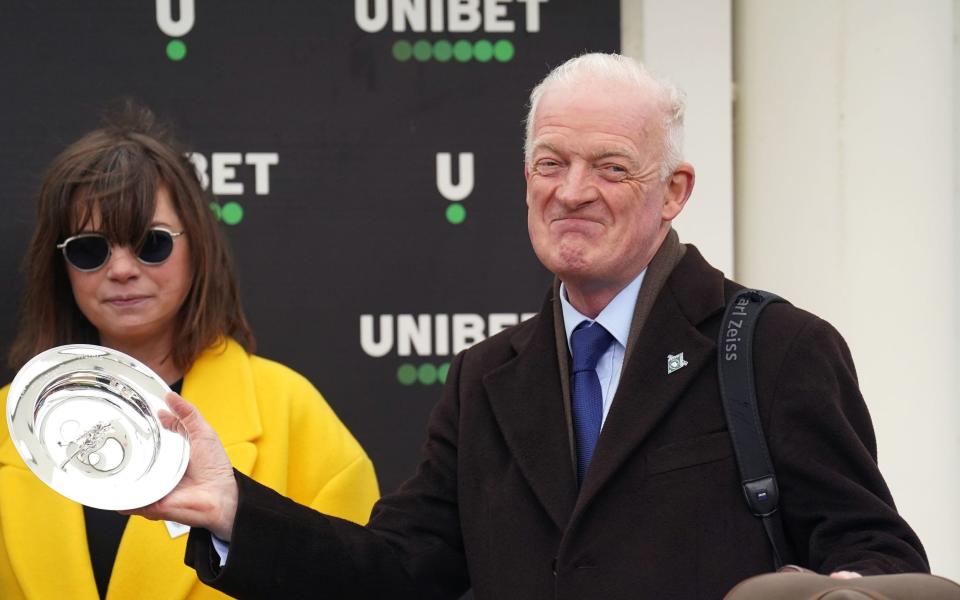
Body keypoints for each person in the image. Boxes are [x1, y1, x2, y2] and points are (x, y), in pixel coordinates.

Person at [134, 54, 928, 599]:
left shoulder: (778, 349)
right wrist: (231, 505)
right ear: (524, 180)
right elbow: (398, 572)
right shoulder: (486, 379)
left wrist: (852, 592)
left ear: (675, 190)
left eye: (611, 166)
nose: (572, 190)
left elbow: (876, 555)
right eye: (551, 163)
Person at [0, 105, 380, 600]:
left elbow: (366, 582)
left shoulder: (292, 412)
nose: (121, 269)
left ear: (196, 246)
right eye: (90, 249)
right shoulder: (12, 425)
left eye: (150, 243)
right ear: (61, 266)